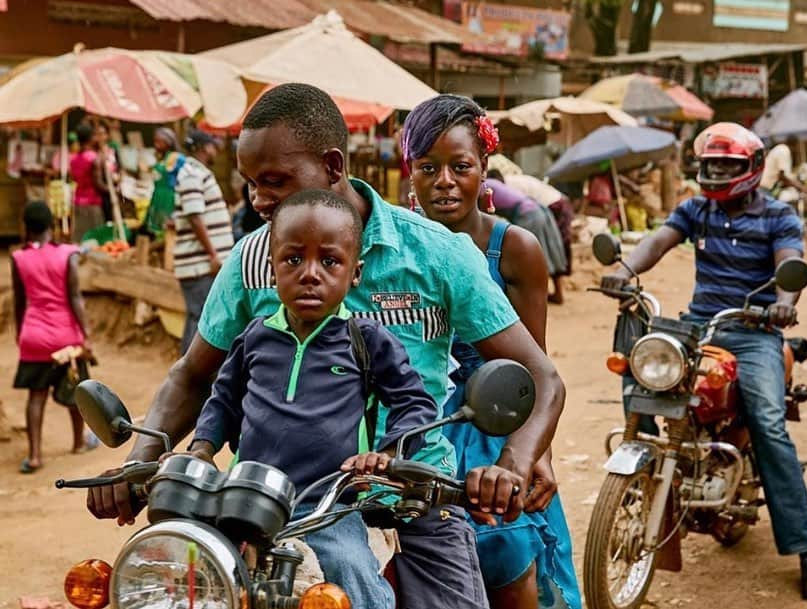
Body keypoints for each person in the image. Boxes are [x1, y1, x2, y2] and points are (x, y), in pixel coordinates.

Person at [87, 83, 566, 609]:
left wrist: (513, 465)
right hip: (268, 504)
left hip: (414, 498)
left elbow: (539, 375)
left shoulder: (435, 252)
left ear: (333, 166)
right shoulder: (252, 258)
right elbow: (195, 377)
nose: (259, 200)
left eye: (275, 182)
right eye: (251, 184)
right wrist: (140, 459)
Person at [600, 122, 807, 600]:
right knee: (644, 377)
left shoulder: (778, 216)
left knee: (768, 422)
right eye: (711, 165)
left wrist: (783, 301)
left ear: (753, 168)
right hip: (699, 325)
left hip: (755, 332)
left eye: (727, 166)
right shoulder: (695, 209)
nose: (717, 172)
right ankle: (648, 480)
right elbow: (658, 241)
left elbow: (791, 262)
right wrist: (623, 271)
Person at [189, 189, 439, 609]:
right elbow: (223, 401)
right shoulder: (254, 338)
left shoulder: (366, 340)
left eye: (329, 261)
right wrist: (201, 448)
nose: (310, 274)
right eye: (293, 259)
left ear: (354, 273)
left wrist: (387, 453)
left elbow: (414, 403)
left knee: (352, 570)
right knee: (190, 572)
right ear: (272, 269)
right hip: (245, 501)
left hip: (327, 508)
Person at [403, 94, 581, 609]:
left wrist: (535, 455)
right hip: (419, 424)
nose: (444, 181)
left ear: (484, 168)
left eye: (460, 167)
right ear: (409, 173)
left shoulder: (516, 248)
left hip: (494, 427)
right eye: (427, 167)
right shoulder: (395, 248)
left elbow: (535, 367)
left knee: (505, 552)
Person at [12, 202, 95, 473]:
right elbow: (75, 298)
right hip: (65, 337)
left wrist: (20, 333)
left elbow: (20, 302)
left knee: (36, 397)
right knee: (76, 391)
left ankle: (35, 455)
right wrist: (86, 335)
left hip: (33, 335)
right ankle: (79, 442)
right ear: (51, 224)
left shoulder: (19, 258)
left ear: (26, 226)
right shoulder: (68, 254)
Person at [173, 129, 235, 354]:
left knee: (200, 317)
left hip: (202, 263)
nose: (215, 148)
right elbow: (195, 216)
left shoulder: (196, 172)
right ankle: (189, 378)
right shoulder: (191, 174)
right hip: (199, 264)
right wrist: (213, 255)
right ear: (203, 147)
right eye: (211, 144)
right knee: (200, 318)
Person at [482, 173, 569, 304]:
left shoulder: (484, 187)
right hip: (540, 211)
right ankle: (556, 293)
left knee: (525, 258)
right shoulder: (497, 184)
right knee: (548, 252)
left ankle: (531, 297)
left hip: (528, 214)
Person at [490, 168, 574, 276]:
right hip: (545, 208)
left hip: (550, 205)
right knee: (550, 247)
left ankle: (545, 285)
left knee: (537, 251)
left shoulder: (500, 185)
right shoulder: (509, 183)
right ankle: (554, 288)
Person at [69, 123, 108, 243]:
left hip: (78, 201)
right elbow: (98, 183)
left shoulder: (74, 159)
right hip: (93, 203)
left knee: (80, 237)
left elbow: (74, 178)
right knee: (96, 238)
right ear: (91, 138)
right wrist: (112, 191)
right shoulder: (94, 158)